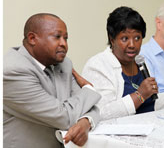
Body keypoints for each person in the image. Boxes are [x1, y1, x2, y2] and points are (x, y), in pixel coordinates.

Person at [80, 6, 164, 121]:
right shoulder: (98, 65)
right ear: (112, 39)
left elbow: (151, 104)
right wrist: (139, 95)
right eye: (125, 38)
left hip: (146, 128)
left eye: (137, 38)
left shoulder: (141, 63)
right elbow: (101, 113)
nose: (132, 45)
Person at [3, 13, 101, 148]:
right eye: (57, 37)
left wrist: (86, 121)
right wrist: (89, 89)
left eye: (66, 38)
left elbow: (90, 107)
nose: (64, 44)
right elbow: (64, 118)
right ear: (32, 38)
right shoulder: (11, 71)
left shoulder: (64, 64)